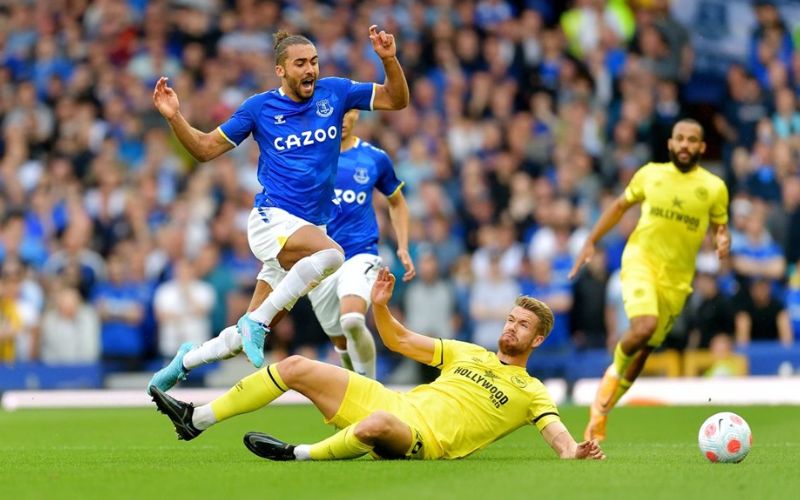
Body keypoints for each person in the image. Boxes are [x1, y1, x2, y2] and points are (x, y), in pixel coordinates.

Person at [147, 25, 409, 392]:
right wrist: (174, 116)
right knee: (333, 255)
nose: (310, 69)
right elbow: (204, 149)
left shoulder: (335, 92)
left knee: (243, 336)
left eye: (314, 61)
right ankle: (257, 324)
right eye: (300, 63)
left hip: (307, 233)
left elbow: (396, 99)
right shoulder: (259, 108)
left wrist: (389, 60)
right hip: (272, 220)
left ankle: (183, 362)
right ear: (280, 70)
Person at [150, 268, 606, 462]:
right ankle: (197, 419)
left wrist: (574, 451)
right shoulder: (469, 352)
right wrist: (381, 306)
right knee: (296, 366)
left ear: (537, 339)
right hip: (394, 402)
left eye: (522, 325)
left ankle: (298, 454)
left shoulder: (532, 391)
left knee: (377, 425)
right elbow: (398, 339)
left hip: (424, 439)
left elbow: (559, 439)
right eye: (510, 319)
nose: (511, 328)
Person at [569, 118, 731, 441]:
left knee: (644, 351)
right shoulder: (650, 174)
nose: (684, 144)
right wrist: (591, 240)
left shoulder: (714, 187)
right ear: (670, 143)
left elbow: (720, 228)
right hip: (640, 260)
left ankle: (601, 412)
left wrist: (723, 240)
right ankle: (609, 381)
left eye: (692, 140)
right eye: (679, 138)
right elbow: (620, 206)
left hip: (677, 280)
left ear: (701, 147)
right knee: (643, 326)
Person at [307, 108, 415, 379]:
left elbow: (397, 202)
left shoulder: (374, 158)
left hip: (360, 253)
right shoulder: (308, 155)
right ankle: (355, 389)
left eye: (348, 112)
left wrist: (402, 245)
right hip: (319, 259)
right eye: (337, 113)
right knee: (341, 341)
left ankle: (370, 388)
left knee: (352, 320)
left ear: (357, 113)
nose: (342, 120)